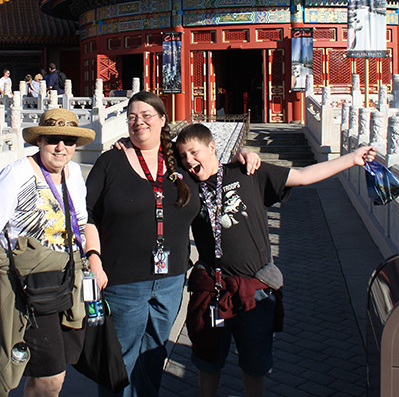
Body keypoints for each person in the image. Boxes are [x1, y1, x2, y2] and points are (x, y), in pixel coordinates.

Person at [175, 122, 376, 397]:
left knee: (255, 363)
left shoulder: (247, 172)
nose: (189, 160)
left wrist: (351, 159)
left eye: (194, 152)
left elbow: (303, 175)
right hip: (213, 292)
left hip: (254, 290)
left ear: (212, 147)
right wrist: (126, 149)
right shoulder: (187, 187)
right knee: (208, 361)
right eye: (183, 156)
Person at [0, 108, 96, 397]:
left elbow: (82, 222)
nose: (61, 148)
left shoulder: (74, 172)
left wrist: (93, 261)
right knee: (51, 374)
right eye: (53, 139)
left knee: (55, 367)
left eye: (69, 140)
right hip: (29, 285)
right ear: (39, 141)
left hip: (66, 280)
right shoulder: (16, 174)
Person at [85, 91, 201, 397]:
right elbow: (86, 215)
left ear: (163, 120)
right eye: (132, 117)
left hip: (172, 278)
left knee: (153, 356)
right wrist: (94, 261)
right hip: (123, 280)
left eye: (147, 116)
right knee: (120, 359)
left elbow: (216, 172)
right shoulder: (111, 161)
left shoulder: (182, 160)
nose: (139, 122)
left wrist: (249, 157)